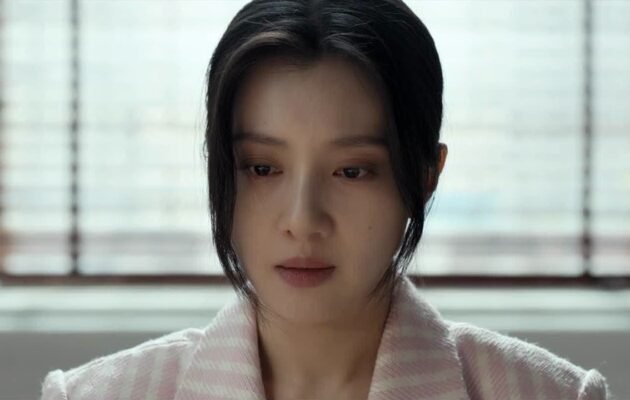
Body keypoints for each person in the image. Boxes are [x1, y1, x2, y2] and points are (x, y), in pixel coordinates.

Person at [41, 0, 611, 399]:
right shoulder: (97, 394)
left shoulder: (550, 394)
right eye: (262, 168)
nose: (302, 220)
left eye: (352, 171)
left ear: (425, 176)